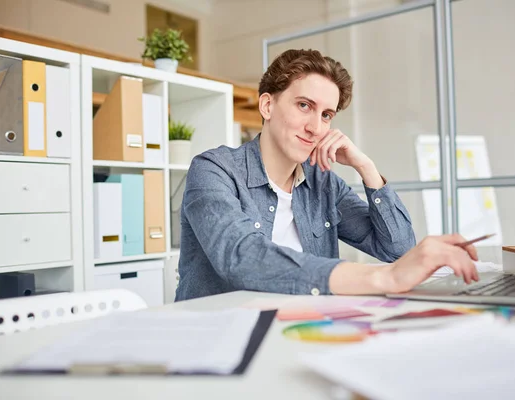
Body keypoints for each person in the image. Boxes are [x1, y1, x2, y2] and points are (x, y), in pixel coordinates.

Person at [175, 49, 479, 301]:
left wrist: (366, 168)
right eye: (304, 105)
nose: (316, 127)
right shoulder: (214, 170)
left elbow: (396, 249)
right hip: (220, 337)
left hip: (299, 329)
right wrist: (382, 278)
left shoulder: (323, 183)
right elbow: (240, 258)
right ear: (267, 105)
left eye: (326, 115)